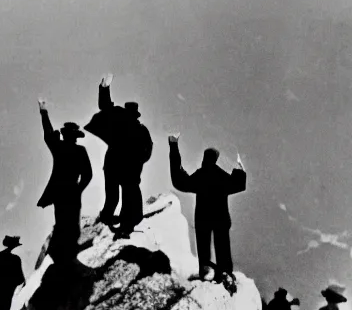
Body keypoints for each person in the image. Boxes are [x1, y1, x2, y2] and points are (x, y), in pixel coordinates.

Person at [168, 133, 246, 282]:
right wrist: (239, 167)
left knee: (203, 247)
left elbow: (180, 182)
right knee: (222, 245)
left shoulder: (200, 175)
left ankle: (205, 271)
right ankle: (225, 273)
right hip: (221, 218)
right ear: (216, 159)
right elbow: (238, 184)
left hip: (202, 218)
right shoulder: (221, 175)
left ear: (205, 158)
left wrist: (173, 147)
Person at [84, 74, 153, 238]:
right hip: (123, 168)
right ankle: (122, 223)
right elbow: (147, 151)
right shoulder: (138, 128)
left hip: (116, 166)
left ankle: (116, 221)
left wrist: (104, 87)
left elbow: (105, 106)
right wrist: (104, 88)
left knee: (117, 195)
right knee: (126, 196)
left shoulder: (120, 120)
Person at [37, 97, 93, 263]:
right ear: (75, 136)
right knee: (71, 221)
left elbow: (48, 133)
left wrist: (43, 112)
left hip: (59, 190)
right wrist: (79, 189)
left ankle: (60, 253)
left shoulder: (59, 147)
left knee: (61, 220)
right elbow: (88, 174)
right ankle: (69, 253)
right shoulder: (80, 150)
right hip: (71, 190)